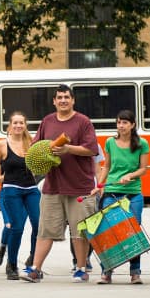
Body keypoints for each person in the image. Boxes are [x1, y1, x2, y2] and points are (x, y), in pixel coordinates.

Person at [21, 85, 99, 283]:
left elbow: (91, 150)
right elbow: (36, 147)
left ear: (73, 100)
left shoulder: (83, 122)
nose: (63, 100)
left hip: (80, 185)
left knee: (79, 231)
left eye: (67, 97)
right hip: (53, 186)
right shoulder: (47, 121)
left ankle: (81, 269)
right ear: (54, 101)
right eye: (59, 98)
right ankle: (35, 269)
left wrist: (68, 149)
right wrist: (37, 155)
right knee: (45, 230)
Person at [92, 109, 150, 284]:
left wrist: (131, 176)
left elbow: (143, 169)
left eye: (125, 122)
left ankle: (135, 271)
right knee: (107, 232)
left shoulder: (142, 143)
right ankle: (107, 271)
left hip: (133, 193)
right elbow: (106, 167)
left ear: (132, 125)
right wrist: (99, 186)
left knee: (133, 231)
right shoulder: (110, 142)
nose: (121, 126)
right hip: (111, 192)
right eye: (118, 122)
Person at [0, 112, 40, 280]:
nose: (18, 126)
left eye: (21, 123)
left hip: (31, 188)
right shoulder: (1, 145)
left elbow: (40, 168)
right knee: (16, 227)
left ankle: (33, 260)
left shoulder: (32, 144)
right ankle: (11, 264)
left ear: (25, 125)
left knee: (39, 225)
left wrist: (36, 161)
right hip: (12, 189)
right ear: (9, 125)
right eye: (15, 123)